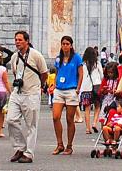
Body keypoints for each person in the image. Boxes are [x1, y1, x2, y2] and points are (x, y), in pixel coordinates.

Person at [6, 29, 49, 163]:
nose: (17, 42)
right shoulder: (14, 57)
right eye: (16, 40)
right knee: (11, 119)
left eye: (20, 40)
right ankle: (20, 147)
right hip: (17, 92)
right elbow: (15, 71)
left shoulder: (36, 55)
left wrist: (38, 86)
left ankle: (29, 153)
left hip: (31, 93)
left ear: (27, 41)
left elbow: (44, 73)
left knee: (31, 125)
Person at [50, 35, 81, 154]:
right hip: (59, 89)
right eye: (63, 44)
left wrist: (78, 88)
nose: (65, 46)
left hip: (71, 90)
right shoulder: (58, 58)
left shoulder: (77, 58)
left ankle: (69, 145)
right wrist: (53, 84)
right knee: (55, 117)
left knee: (69, 119)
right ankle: (59, 144)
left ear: (71, 45)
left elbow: (81, 74)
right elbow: (57, 72)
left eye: (67, 44)